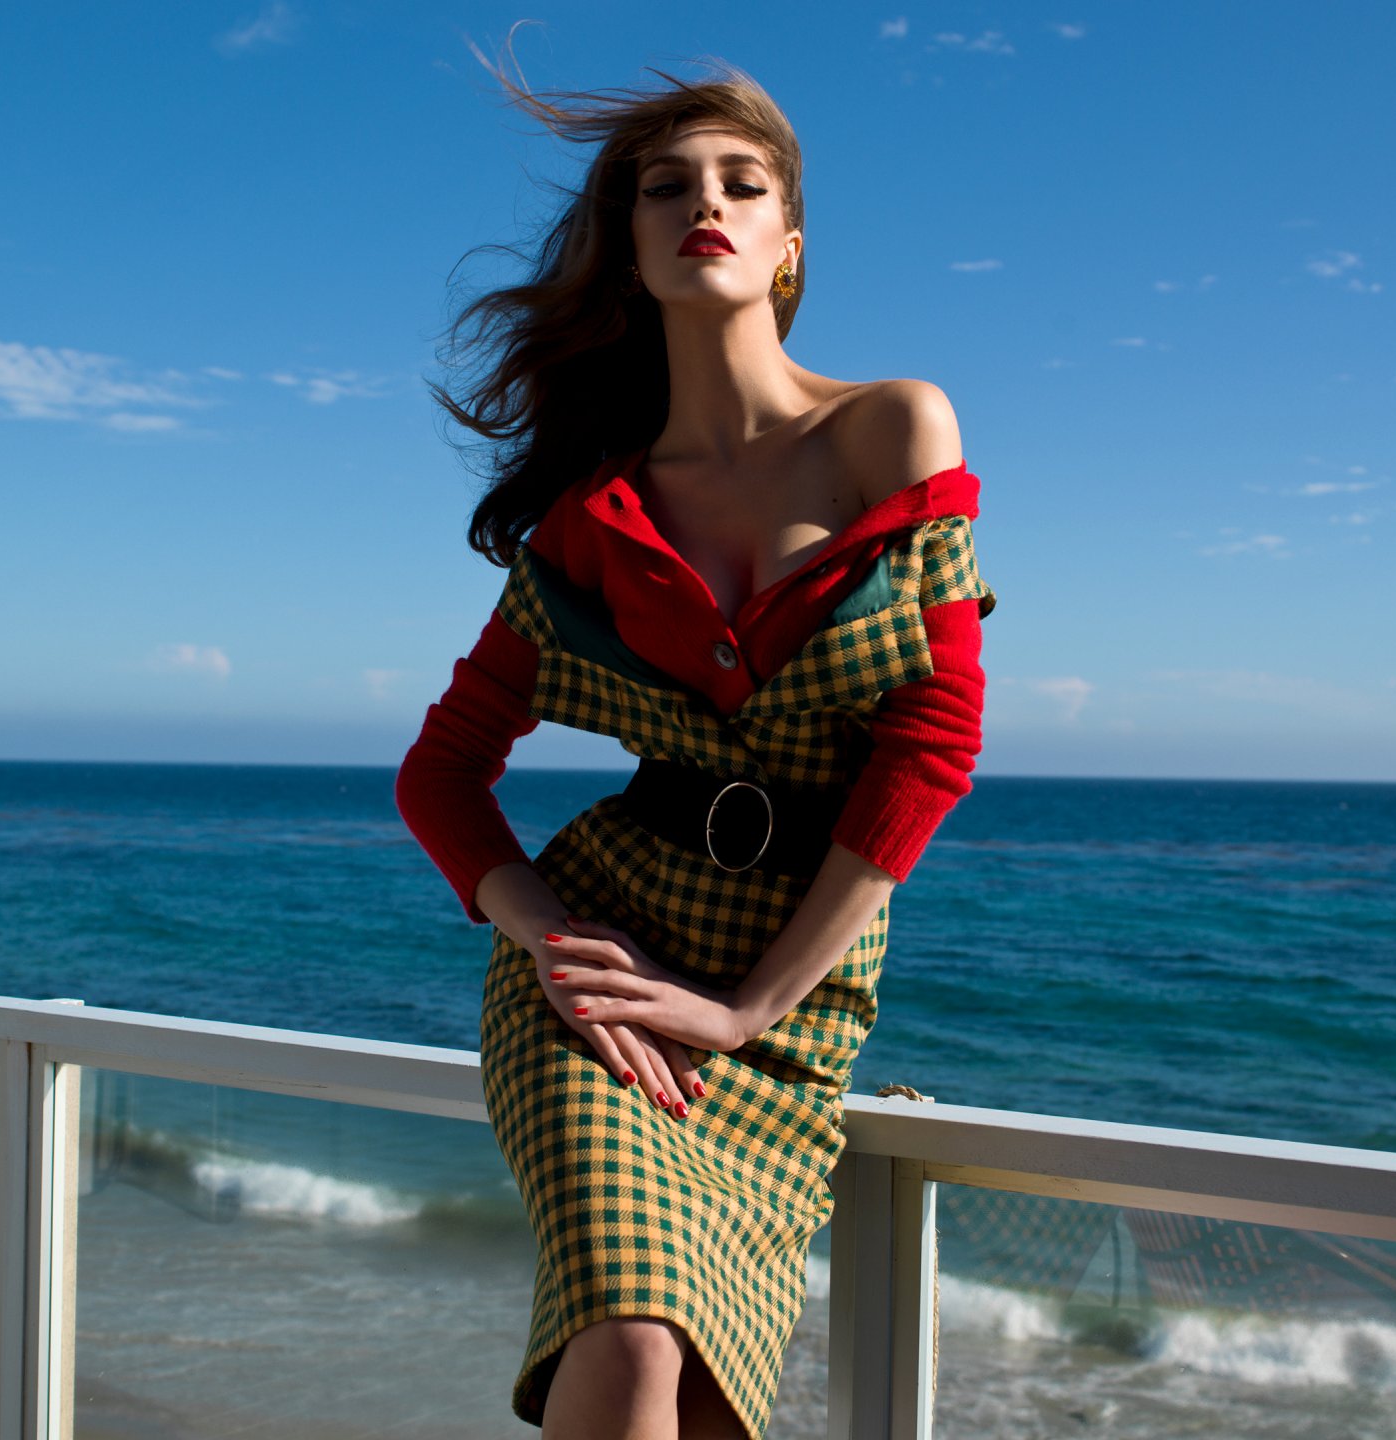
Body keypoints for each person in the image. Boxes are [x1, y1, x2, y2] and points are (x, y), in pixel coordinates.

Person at [396, 60, 994, 1440]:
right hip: (608, 966)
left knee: (710, 1397)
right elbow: (442, 773)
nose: (703, 206)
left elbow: (931, 745)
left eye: (742, 184)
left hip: (793, 994)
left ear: (791, 245)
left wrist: (750, 1012)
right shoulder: (590, 516)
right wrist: (543, 934)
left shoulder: (893, 428)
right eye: (666, 188)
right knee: (631, 1339)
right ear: (631, 250)